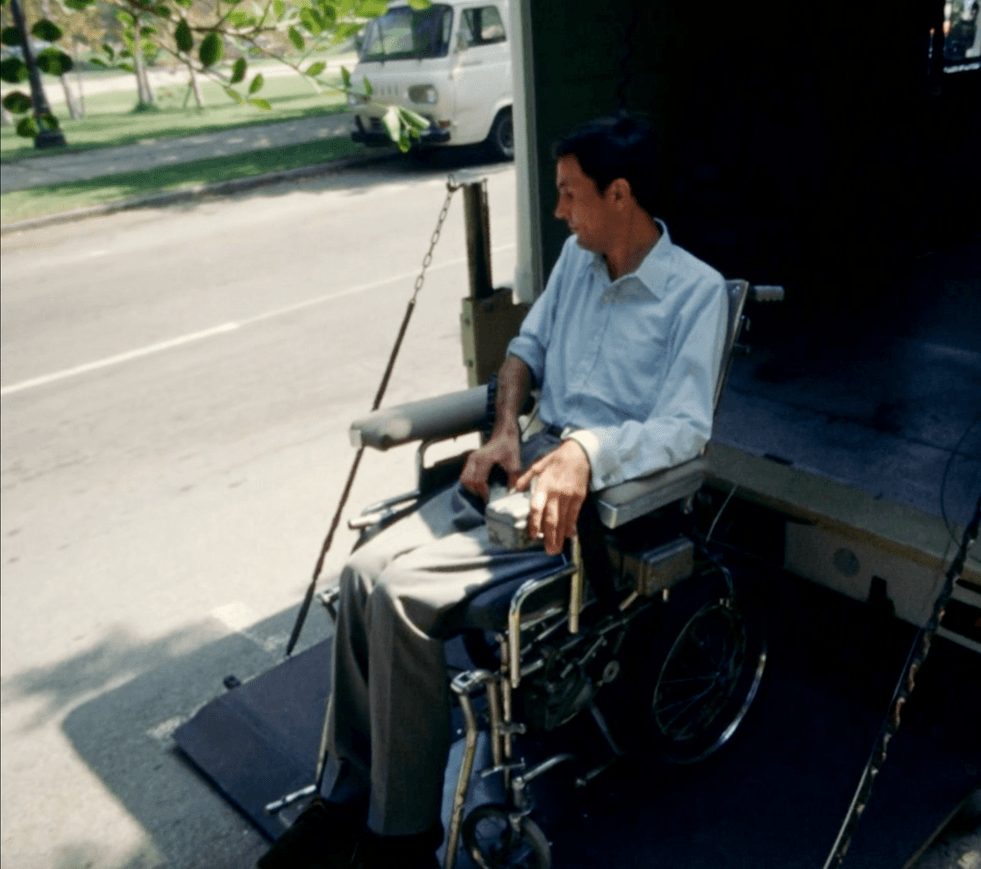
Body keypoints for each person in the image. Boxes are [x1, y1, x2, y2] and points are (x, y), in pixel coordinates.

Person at [258, 115, 728, 869]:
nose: (559, 210)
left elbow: (684, 428)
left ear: (620, 194)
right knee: (360, 574)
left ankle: (397, 838)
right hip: (523, 466)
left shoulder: (695, 293)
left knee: (402, 597)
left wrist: (586, 450)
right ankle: (344, 799)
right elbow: (522, 352)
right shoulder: (578, 263)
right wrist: (506, 426)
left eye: (570, 195)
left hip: (591, 510)